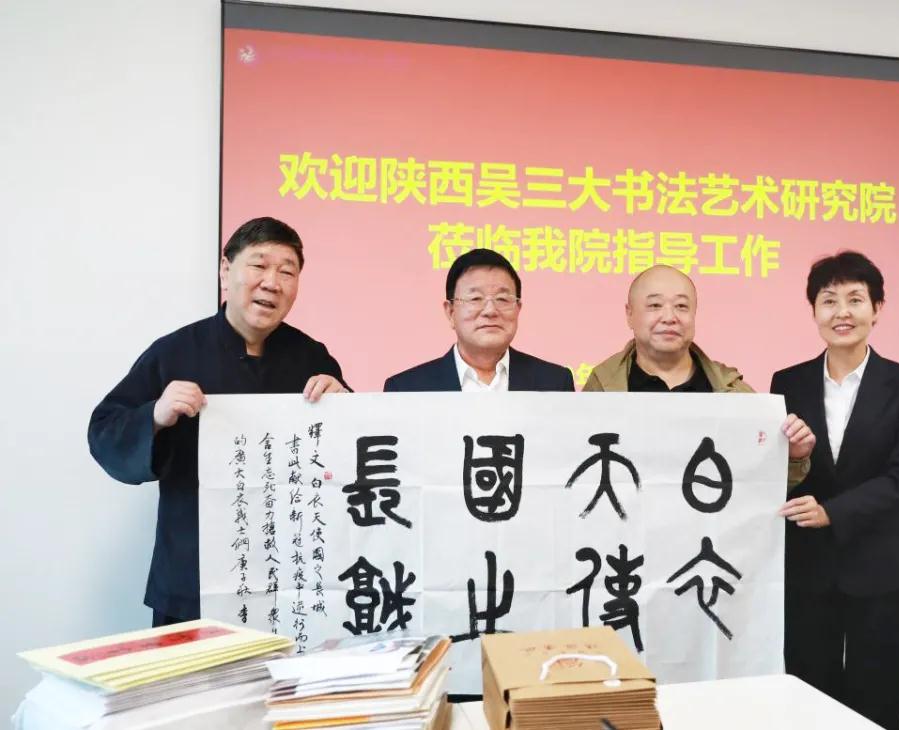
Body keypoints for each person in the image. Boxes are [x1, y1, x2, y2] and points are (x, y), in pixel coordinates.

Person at [88, 217, 348, 626]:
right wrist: (154, 415)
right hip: (191, 580)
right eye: (259, 265)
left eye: (287, 272)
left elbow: (349, 459)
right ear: (226, 270)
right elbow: (104, 430)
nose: (272, 283)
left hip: (289, 577)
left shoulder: (311, 357)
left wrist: (344, 405)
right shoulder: (174, 352)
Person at [770, 251, 899, 730]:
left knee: (877, 704)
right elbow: (772, 468)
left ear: (877, 308)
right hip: (806, 571)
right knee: (807, 703)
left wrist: (832, 512)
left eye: (855, 299)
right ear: (814, 311)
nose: (842, 312)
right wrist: (794, 458)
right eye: (829, 300)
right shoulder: (787, 382)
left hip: (883, 571)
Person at [583, 264, 814, 485]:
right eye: (654, 305)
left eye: (681, 306)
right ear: (629, 314)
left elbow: (760, 486)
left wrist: (793, 456)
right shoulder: (602, 388)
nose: (669, 317)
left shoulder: (732, 391)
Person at [384, 248, 574, 392]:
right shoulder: (406, 389)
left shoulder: (555, 383)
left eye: (502, 299)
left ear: (518, 309)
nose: (490, 311)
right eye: (475, 299)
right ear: (450, 312)